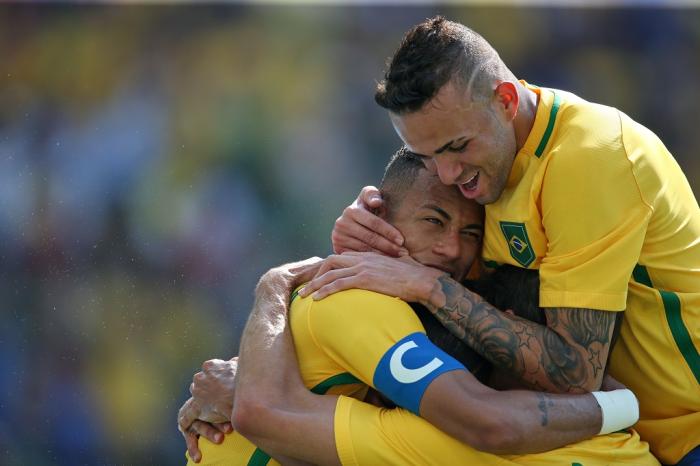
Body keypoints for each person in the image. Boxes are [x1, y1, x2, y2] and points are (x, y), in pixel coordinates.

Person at [304, 16, 699, 466]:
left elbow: (576, 373)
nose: (448, 175)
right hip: (606, 435)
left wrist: (427, 283)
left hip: (686, 432)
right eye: (431, 155)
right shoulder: (481, 166)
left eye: (457, 146)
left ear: (506, 100)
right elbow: (429, 307)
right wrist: (377, 230)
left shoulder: (592, 158)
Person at [178, 149, 655, 465]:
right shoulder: (356, 301)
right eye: (433, 220)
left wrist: (269, 290)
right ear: (378, 217)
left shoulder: (473, 434)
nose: (451, 249)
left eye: (470, 233)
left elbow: (488, 422)